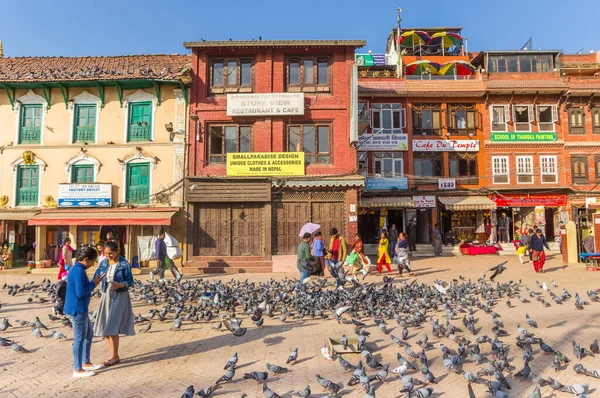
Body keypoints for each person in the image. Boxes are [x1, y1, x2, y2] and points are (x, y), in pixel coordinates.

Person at [93, 241, 135, 366]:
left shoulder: (124, 264)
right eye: (105, 253)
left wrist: (120, 285)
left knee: (112, 325)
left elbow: (130, 281)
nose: (108, 256)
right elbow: (96, 277)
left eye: (110, 253)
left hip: (120, 295)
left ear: (117, 251)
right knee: (103, 326)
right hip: (106, 294)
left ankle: (114, 356)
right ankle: (114, 354)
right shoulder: (104, 263)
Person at [64, 247, 104, 378]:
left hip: (81, 308)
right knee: (79, 339)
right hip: (77, 309)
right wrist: (94, 283)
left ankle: (85, 362)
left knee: (89, 335)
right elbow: (80, 292)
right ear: (86, 260)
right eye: (92, 262)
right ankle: (77, 369)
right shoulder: (78, 271)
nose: (92, 264)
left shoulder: (77, 269)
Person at [54, 237, 74, 316]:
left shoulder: (70, 247)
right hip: (66, 262)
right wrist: (65, 261)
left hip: (69, 261)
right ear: (66, 241)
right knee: (64, 271)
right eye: (69, 241)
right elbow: (64, 255)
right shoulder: (65, 247)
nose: (70, 242)